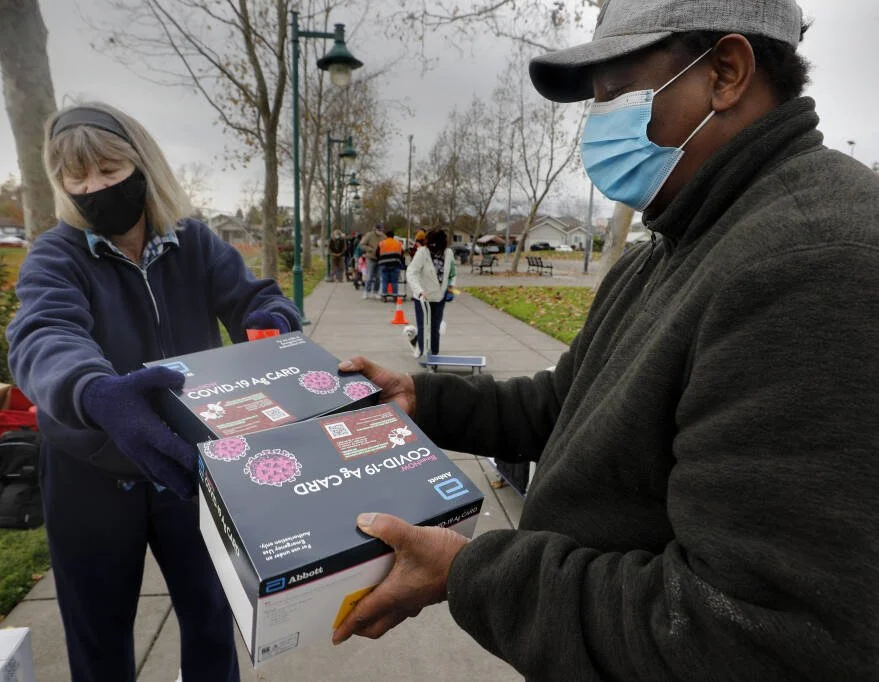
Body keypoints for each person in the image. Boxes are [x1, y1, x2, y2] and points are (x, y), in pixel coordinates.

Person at [331, 1, 879, 680]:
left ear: (726, 73)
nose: (596, 124)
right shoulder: (675, 243)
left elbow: (751, 634)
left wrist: (469, 571)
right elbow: (569, 404)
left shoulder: (811, 262)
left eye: (616, 91)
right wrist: (423, 399)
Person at [6, 102, 301, 682]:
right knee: (99, 636)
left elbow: (253, 298)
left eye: (109, 169)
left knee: (213, 619)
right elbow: (43, 332)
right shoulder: (56, 256)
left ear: (143, 164)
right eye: (77, 177)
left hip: (187, 464)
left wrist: (273, 322)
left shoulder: (193, 243)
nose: (94, 187)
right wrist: (95, 392)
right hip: (88, 472)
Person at [405, 229, 455, 358]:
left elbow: (452, 273)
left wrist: (450, 288)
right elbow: (411, 273)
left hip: (439, 297)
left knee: (435, 328)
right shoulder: (422, 253)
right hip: (423, 297)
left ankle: (434, 354)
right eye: (431, 244)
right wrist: (419, 291)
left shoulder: (448, 253)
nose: (434, 248)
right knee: (424, 327)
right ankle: (423, 353)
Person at [357, 223, 384, 299]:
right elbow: (361, 245)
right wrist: (370, 249)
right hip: (370, 258)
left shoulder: (383, 236)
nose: (380, 231)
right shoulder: (369, 235)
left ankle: (375, 292)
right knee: (369, 276)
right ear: (375, 229)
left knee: (378, 277)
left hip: (380, 259)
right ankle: (366, 291)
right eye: (379, 230)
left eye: (382, 230)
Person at [376, 229, 404, 299]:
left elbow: (377, 253)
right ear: (393, 236)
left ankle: (384, 296)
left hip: (384, 264)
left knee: (385, 281)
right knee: (394, 281)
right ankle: (395, 296)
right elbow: (402, 254)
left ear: (386, 236)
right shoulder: (398, 243)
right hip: (395, 264)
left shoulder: (382, 243)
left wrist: (380, 260)